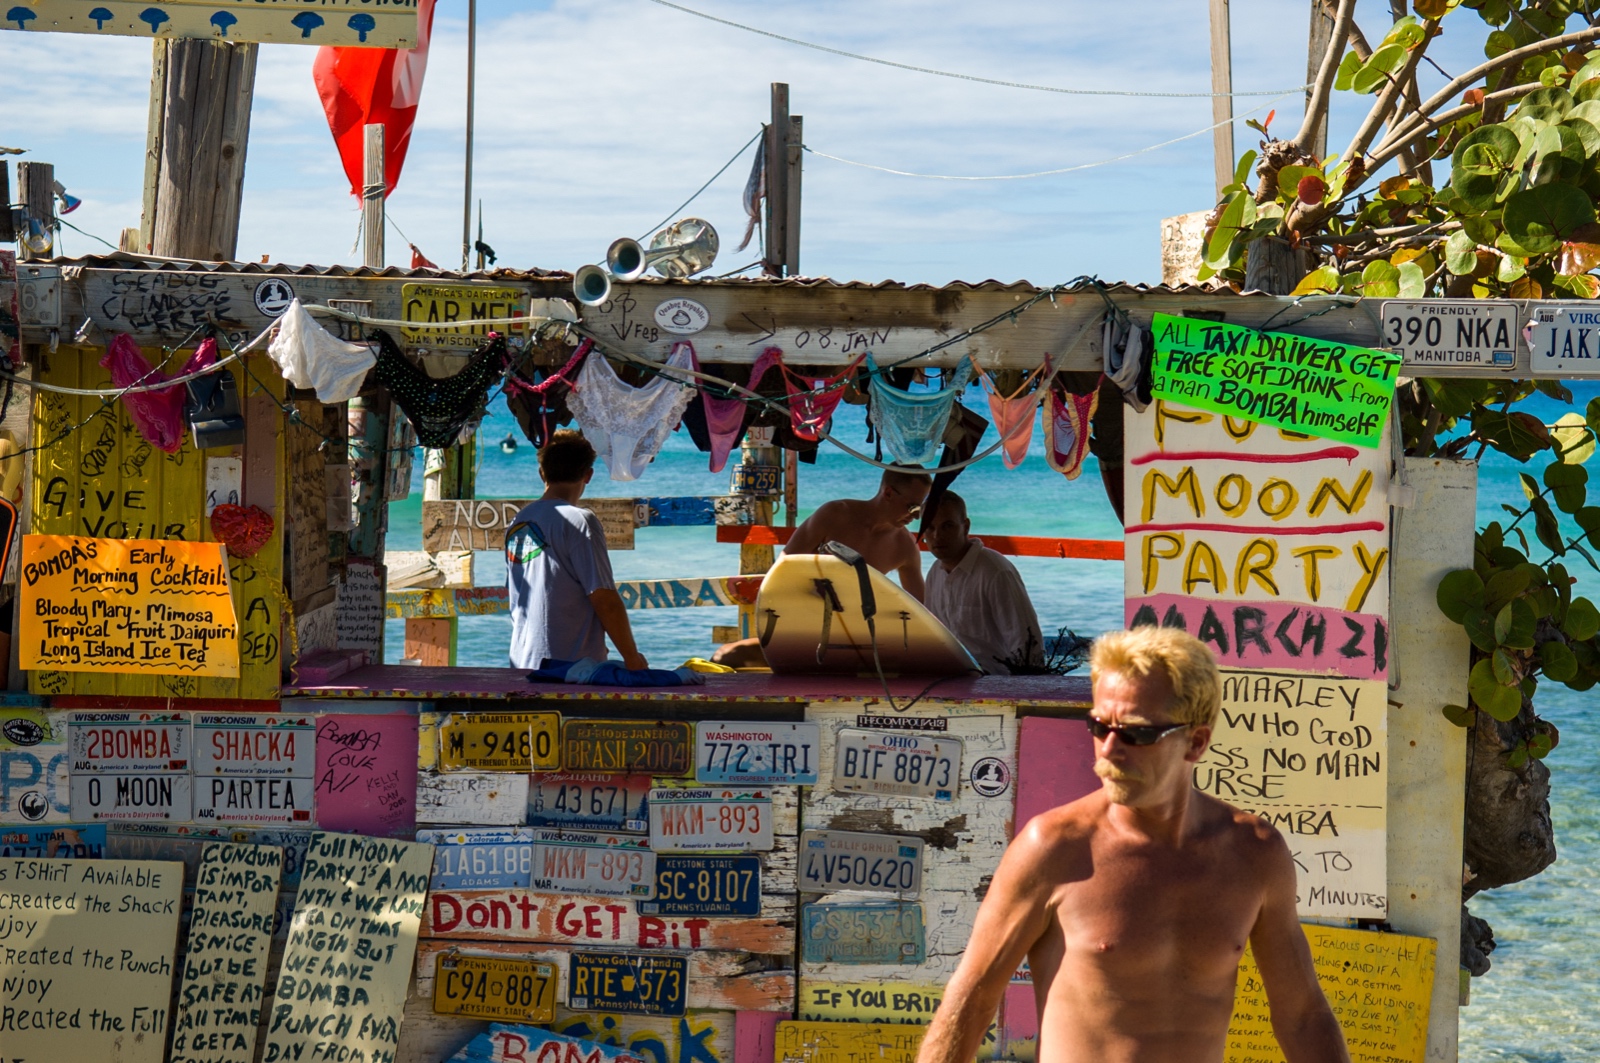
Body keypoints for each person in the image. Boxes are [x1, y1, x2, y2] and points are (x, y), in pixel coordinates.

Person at [917, 627, 1349, 1063]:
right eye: (1099, 726)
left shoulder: (1253, 853)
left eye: (1137, 734)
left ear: (1195, 742)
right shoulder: (1054, 849)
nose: (1109, 750)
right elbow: (971, 1000)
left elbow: (1303, 1016)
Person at [710, 466, 931, 667]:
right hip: (804, 631)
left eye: (921, 507)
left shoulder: (904, 546)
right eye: (912, 506)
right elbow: (780, 574)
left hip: (859, 640)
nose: (917, 515)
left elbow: (924, 614)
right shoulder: (836, 514)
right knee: (725, 658)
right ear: (889, 493)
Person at [506, 429, 647, 671]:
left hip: (522, 661)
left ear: (542, 473)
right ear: (588, 475)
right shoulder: (580, 521)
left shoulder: (520, 520)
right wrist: (632, 657)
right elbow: (604, 598)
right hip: (570, 665)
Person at [921, 490, 1043, 674]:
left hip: (997, 685)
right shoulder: (934, 573)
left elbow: (1025, 644)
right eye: (930, 527)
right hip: (952, 682)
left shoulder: (995, 571)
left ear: (966, 527)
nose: (937, 535)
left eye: (947, 526)